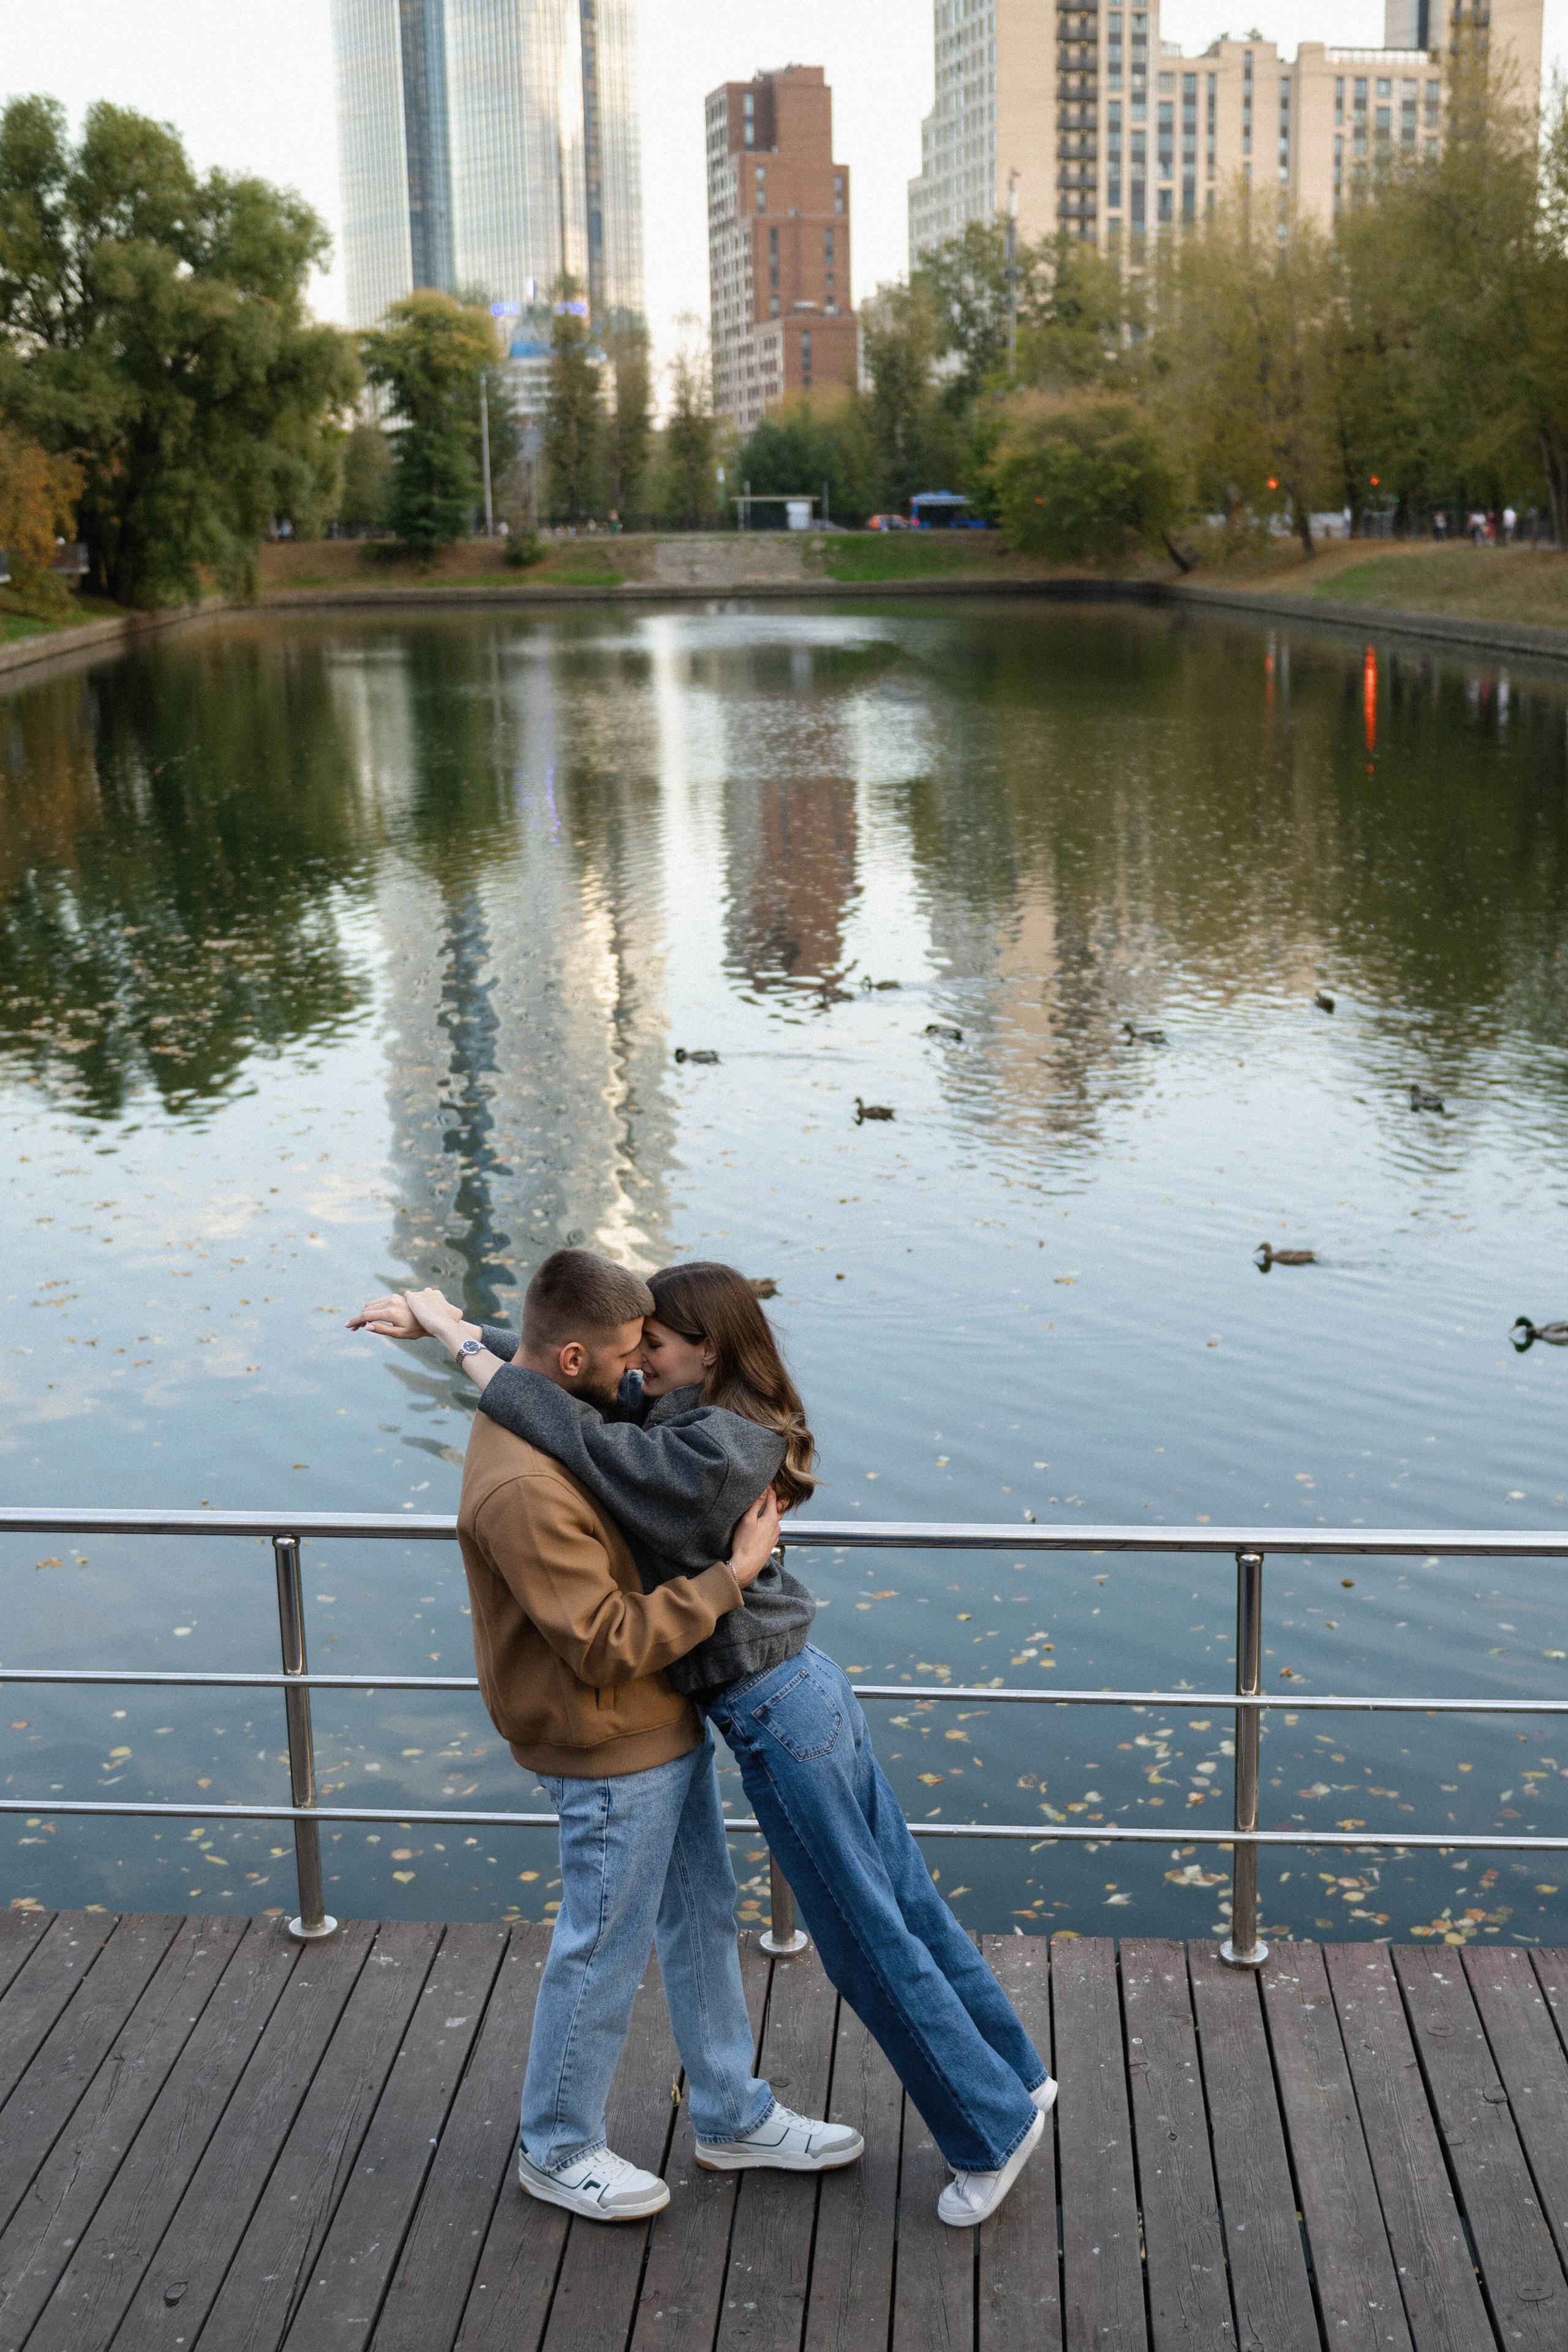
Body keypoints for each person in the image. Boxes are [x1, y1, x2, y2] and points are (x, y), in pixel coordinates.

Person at [357, 1256, 1054, 2228]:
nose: (637, 1363)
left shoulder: (707, 1449)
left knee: (864, 1936)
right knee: (898, 1898)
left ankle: (989, 2129)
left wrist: (456, 1337)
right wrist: (454, 1329)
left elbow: (571, 1409)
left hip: (780, 1710)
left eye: (653, 1344)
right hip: (797, 1691)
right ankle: (1014, 2077)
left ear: (704, 1350)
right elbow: (565, 1379)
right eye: (630, 1347)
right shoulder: (685, 1408)